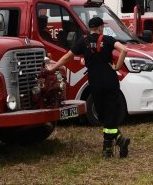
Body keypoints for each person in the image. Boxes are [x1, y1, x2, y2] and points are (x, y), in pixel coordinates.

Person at [47, 16, 131, 158]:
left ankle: (109, 148)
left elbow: (67, 57)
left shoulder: (83, 41)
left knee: (102, 112)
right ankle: (115, 142)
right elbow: (124, 50)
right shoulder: (108, 39)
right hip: (110, 78)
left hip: (95, 80)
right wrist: (117, 67)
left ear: (91, 28)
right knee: (110, 111)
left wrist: (53, 68)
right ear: (100, 28)